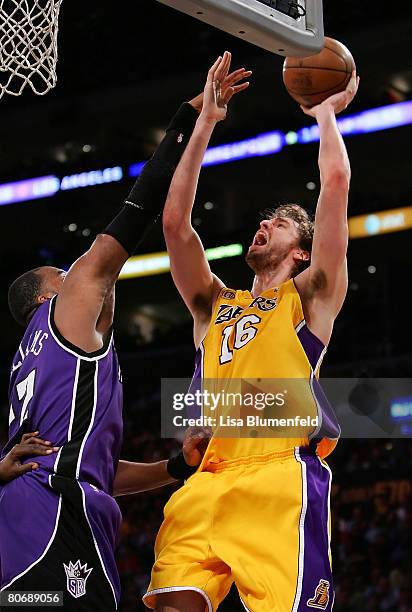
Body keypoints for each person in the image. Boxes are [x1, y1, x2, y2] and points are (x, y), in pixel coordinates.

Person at [0, 67, 249, 611]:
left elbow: (96, 467)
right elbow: (135, 214)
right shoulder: (64, 317)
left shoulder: (33, 362)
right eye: (64, 276)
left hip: (31, 519)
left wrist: (173, 469)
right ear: (48, 300)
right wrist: (193, 118)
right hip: (54, 522)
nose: (78, 275)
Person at [144, 51, 359, 612]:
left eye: (280, 223)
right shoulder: (214, 304)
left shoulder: (310, 296)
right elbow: (174, 225)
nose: (264, 223)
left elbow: (334, 185)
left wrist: (326, 114)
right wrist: (205, 124)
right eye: (266, 219)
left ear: (302, 252)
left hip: (278, 476)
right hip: (209, 477)